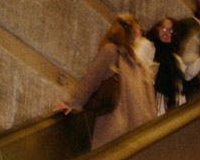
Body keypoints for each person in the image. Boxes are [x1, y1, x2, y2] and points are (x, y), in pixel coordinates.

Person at [55, 14, 156, 149]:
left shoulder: (135, 62)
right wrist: (72, 102)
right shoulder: (114, 53)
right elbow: (91, 79)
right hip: (128, 129)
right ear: (133, 33)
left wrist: (72, 102)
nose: (140, 36)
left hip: (119, 128)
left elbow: (90, 80)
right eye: (138, 31)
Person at [146, 17, 183, 113]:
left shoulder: (174, 58)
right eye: (164, 28)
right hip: (152, 101)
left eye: (170, 30)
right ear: (156, 29)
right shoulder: (148, 48)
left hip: (168, 104)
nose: (166, 33)